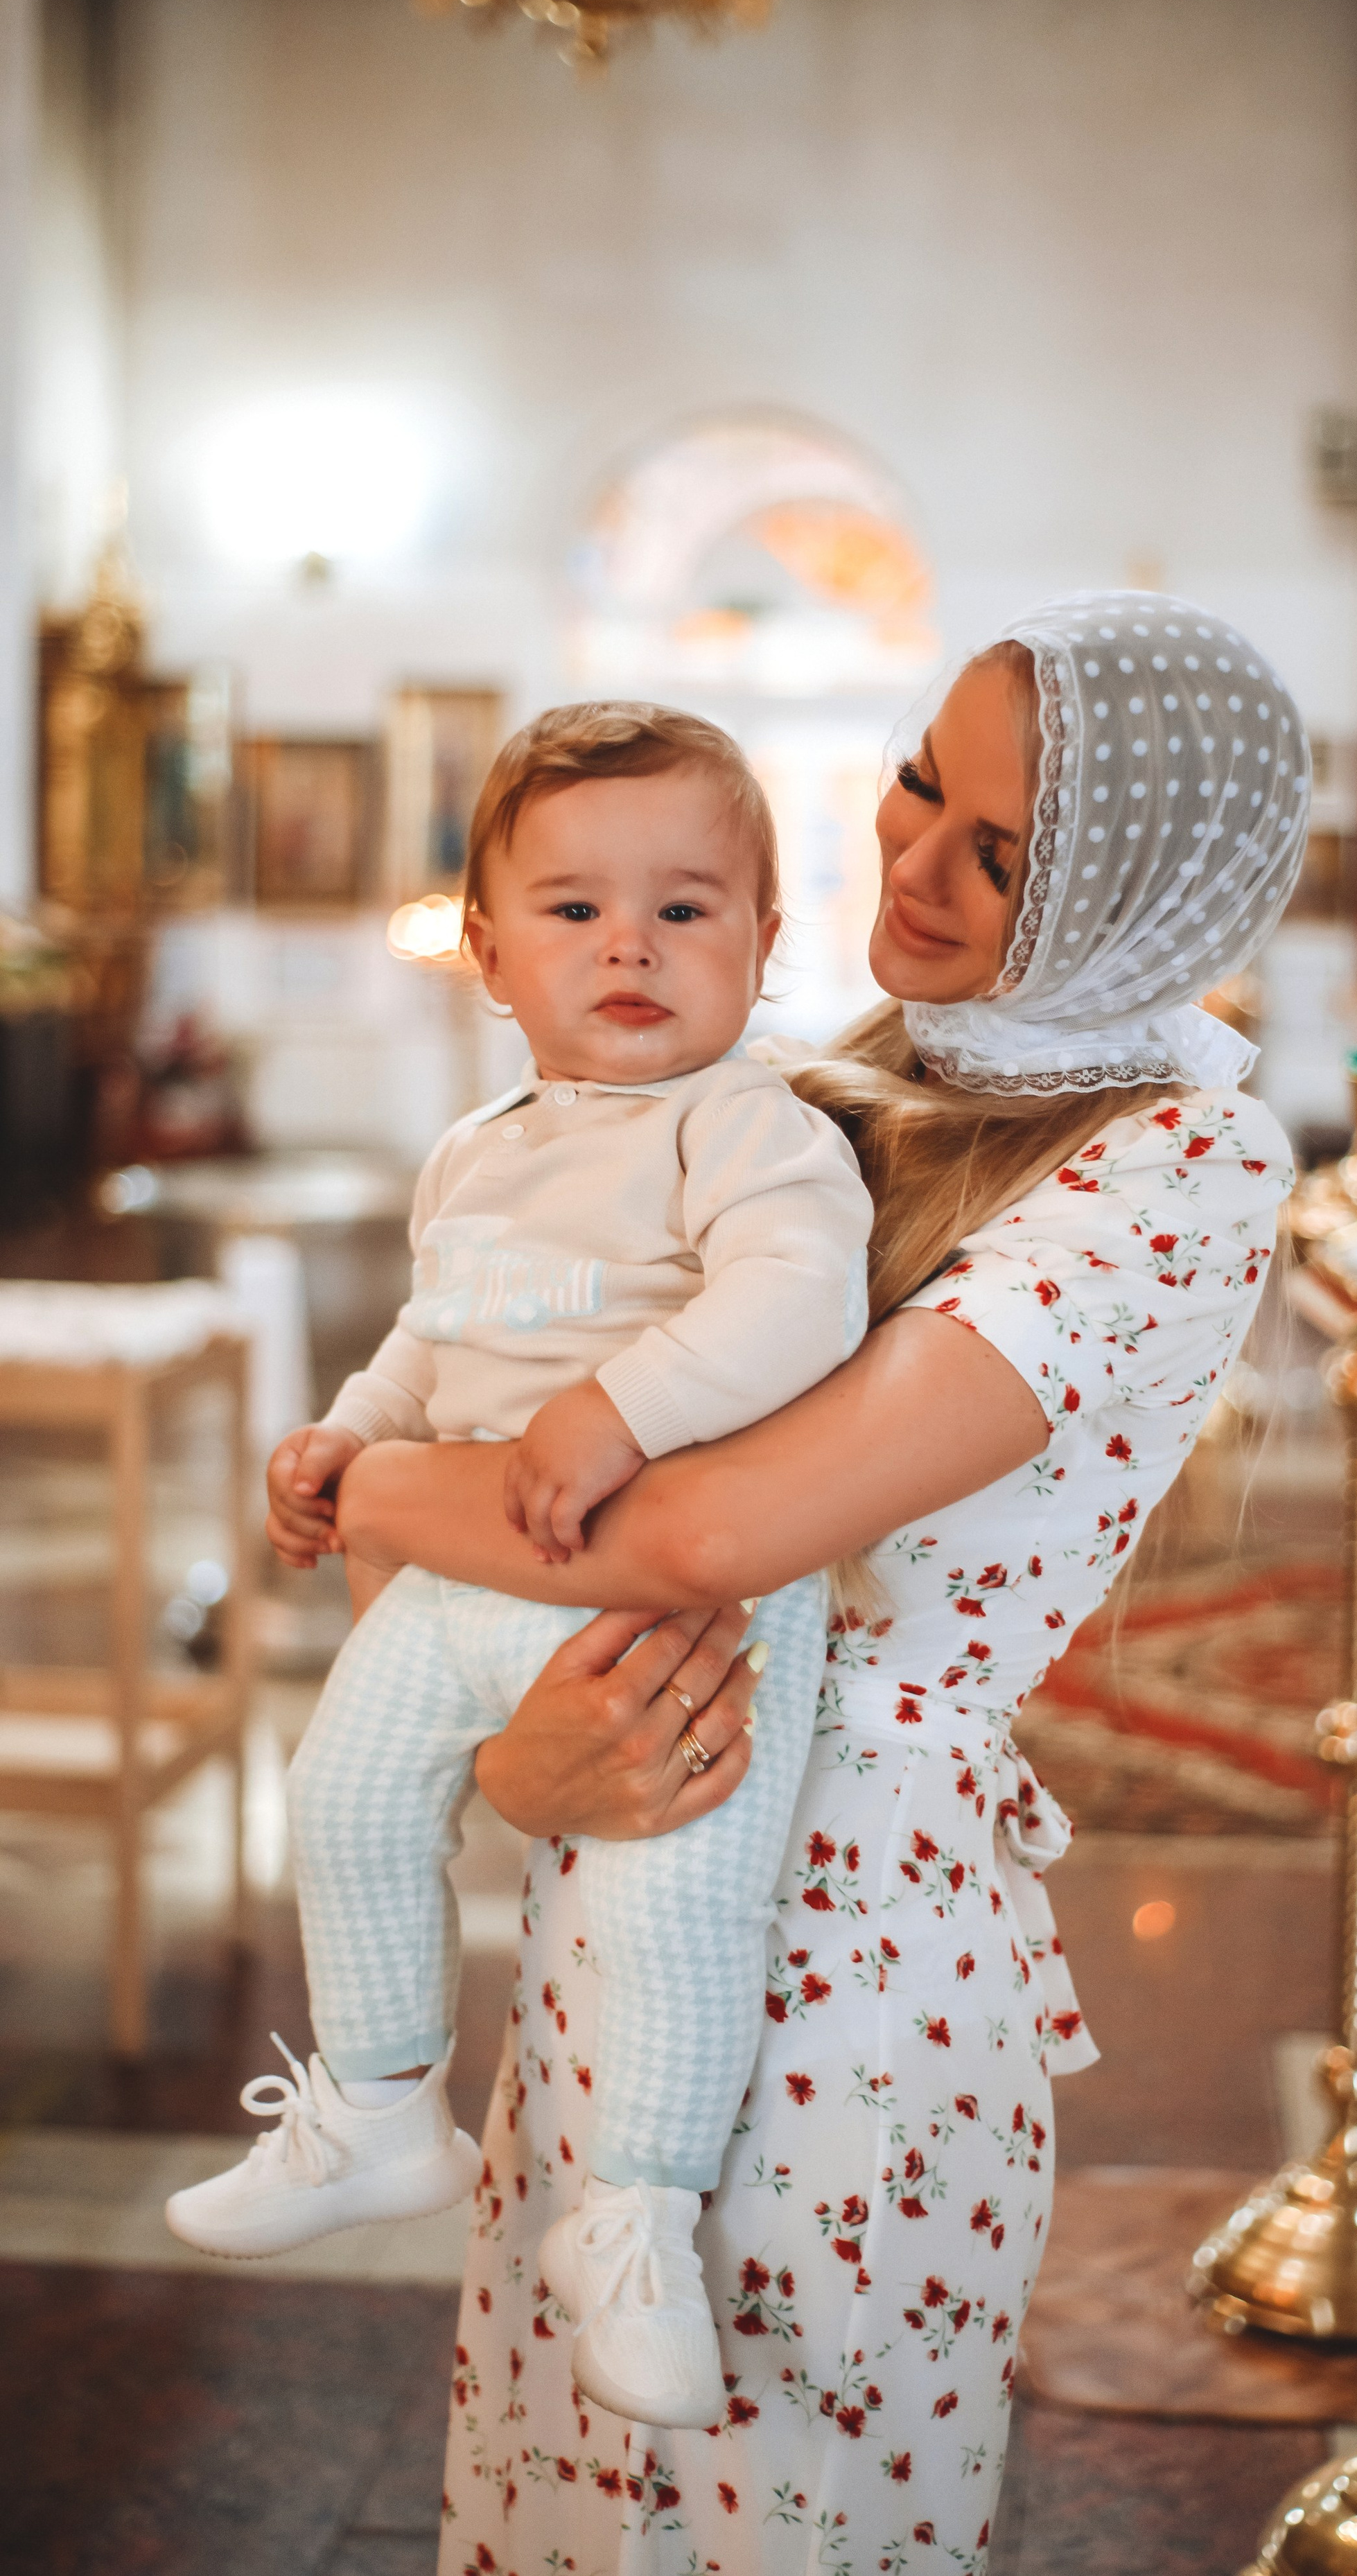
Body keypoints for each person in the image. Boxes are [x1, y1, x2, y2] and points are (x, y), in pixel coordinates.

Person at [335, 590, 1308, 2573]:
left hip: (847, 1958)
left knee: (767, 2515)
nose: (917, 862)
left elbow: (710, 1530)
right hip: (630, 1871)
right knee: (564, 2504)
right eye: (917, 781)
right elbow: (536, 1372)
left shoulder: (1186, 1151)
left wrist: (358, 1482)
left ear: (1133, 888)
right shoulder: (848, 1070)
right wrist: (514, 1763)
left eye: (1005, 849)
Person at [166, 703, 875, 2436]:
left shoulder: (747, 1124)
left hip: (666, 1597)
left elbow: (800, 1298)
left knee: (667, 1907)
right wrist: (345, 1439)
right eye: (571, 910)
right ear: (489, 952)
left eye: (685, 908)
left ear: (766, 945)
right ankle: (378, 2102)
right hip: (459, 1587)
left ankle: (631, 2221)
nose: (628, 941)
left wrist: (621, 1405)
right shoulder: (477, 1151)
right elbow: (432, 1334)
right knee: (335, 1797)